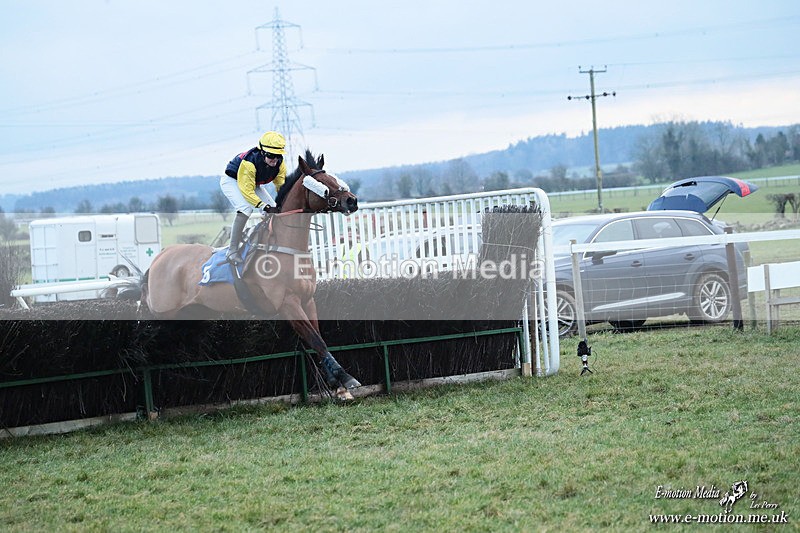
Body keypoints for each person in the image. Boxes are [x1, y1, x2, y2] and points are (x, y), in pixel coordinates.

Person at [220, 131, 287, 264]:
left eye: (278, 155)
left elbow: (281, 186)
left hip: (253, 182)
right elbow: (247, 191)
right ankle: (232, 251)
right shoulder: (249, 163)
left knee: (274, 209)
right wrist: (263, 206)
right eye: (271, 155)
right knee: (245, 209)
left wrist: (282, 202)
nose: (274, 159)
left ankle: (265, 241)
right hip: (232, 180)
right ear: (262, 152)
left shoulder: (280, 164)